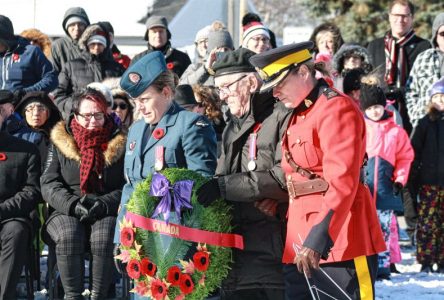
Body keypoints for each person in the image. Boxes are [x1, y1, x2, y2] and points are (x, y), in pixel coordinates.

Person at [250, 41, 386, 299]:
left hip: (338, 239)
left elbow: (342, 181)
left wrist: (320, 237)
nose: (276, 93)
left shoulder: (335, 108)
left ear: (303, 72)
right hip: (300, 238)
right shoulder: (299, 112)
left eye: (279, 84)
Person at [196, 48, 291, 300]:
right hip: (234, 254)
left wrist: (224, 187)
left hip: (271, 254)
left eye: (226, 87)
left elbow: (284, 176)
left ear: (250, 82)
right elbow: (221, 175)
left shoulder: (280, 115)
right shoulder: (232, 126)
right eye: (219, 90)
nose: (222, 96)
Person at [113, 51, 217, 251]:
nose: (140, 108)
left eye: (145, 99)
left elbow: (203, 182)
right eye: (136, 102)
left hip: (176, 235)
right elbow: (130, 186)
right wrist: (121, 236)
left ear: (167, 93)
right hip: (139, 238)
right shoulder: (136, 130)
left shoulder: (191, 124)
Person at [40, 88, 126, 299]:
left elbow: (129, 183)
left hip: (107, 208)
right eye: (87, 116)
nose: (93, 121)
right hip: (66, 208)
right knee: (69, 234)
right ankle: (72, 295)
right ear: (75, 115)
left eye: (98, 115)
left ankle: (100, 294)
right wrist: (71, 204)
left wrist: (105, 202)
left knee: (105, 236)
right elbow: (49, 183)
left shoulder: (122, 140)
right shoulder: (60, 141)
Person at [360, 77, 414, 280]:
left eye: (378, 107)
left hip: (385, 188)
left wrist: (400, 179)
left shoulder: (396, 132)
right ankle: (365, 263)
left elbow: (405, 157)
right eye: (370, 107)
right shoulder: (361, 128)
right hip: (364, 188)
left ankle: (382, 264)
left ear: (384, 106)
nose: (375, 111)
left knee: (384, 228)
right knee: (363, 227)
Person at [367, 0, 431, 135]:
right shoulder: (374, 46)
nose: (400, 20)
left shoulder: (424, 47)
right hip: (380, 117)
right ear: (389, 16)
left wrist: (401, 91)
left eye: (405, 16)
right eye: (396, 15)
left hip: (413, 118)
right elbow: (367, 82)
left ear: (412, 18)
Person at [0, 91, 41, 299]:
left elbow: (31, 191)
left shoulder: (25, 150)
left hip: (11, 217)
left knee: (15, 231)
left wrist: (2, 210)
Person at [409, 78, 444, 273]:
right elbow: (413, 151)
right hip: (428, 182)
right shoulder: (424, 123)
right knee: (428, 222)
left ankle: (442, 259)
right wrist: (413, 178)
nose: (440, 101)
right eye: (437, 97)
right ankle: (426, 259)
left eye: (443, 97)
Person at [53, 23, 125, 119]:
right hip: (79, 119)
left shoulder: (116, 68)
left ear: (105, 46)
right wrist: (76, 108)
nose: (96, 47)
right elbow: (59, 94)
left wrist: (114, 109)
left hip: (109, 120)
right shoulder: (71, 66)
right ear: (87, 44)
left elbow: (125, 95)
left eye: (100, 44)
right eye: (93, 43)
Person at [0, 15, 58, 97]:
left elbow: (51, 79)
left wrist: (26, 93)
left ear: (5, 39)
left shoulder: (31, 52)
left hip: (24, 104)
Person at [406, 12, 444, 129]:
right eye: (443, 34)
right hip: (425, 126)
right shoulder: (423, 58)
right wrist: (415, 117)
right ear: (435, 36)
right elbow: (410, 91)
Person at [15, 91, 62, 167]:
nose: (36, 113)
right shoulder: (16, 136)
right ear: (24, 113)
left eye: (41, 109)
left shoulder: (59, 136)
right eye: (30, 108)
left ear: (48, 114)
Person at [50, 7, 90, 73]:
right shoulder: (58, 46)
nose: (76, 28)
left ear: (86, 26)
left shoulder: (93, 44)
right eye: (72, 25)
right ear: (67, 27)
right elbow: (52, 73)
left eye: (80, 24)